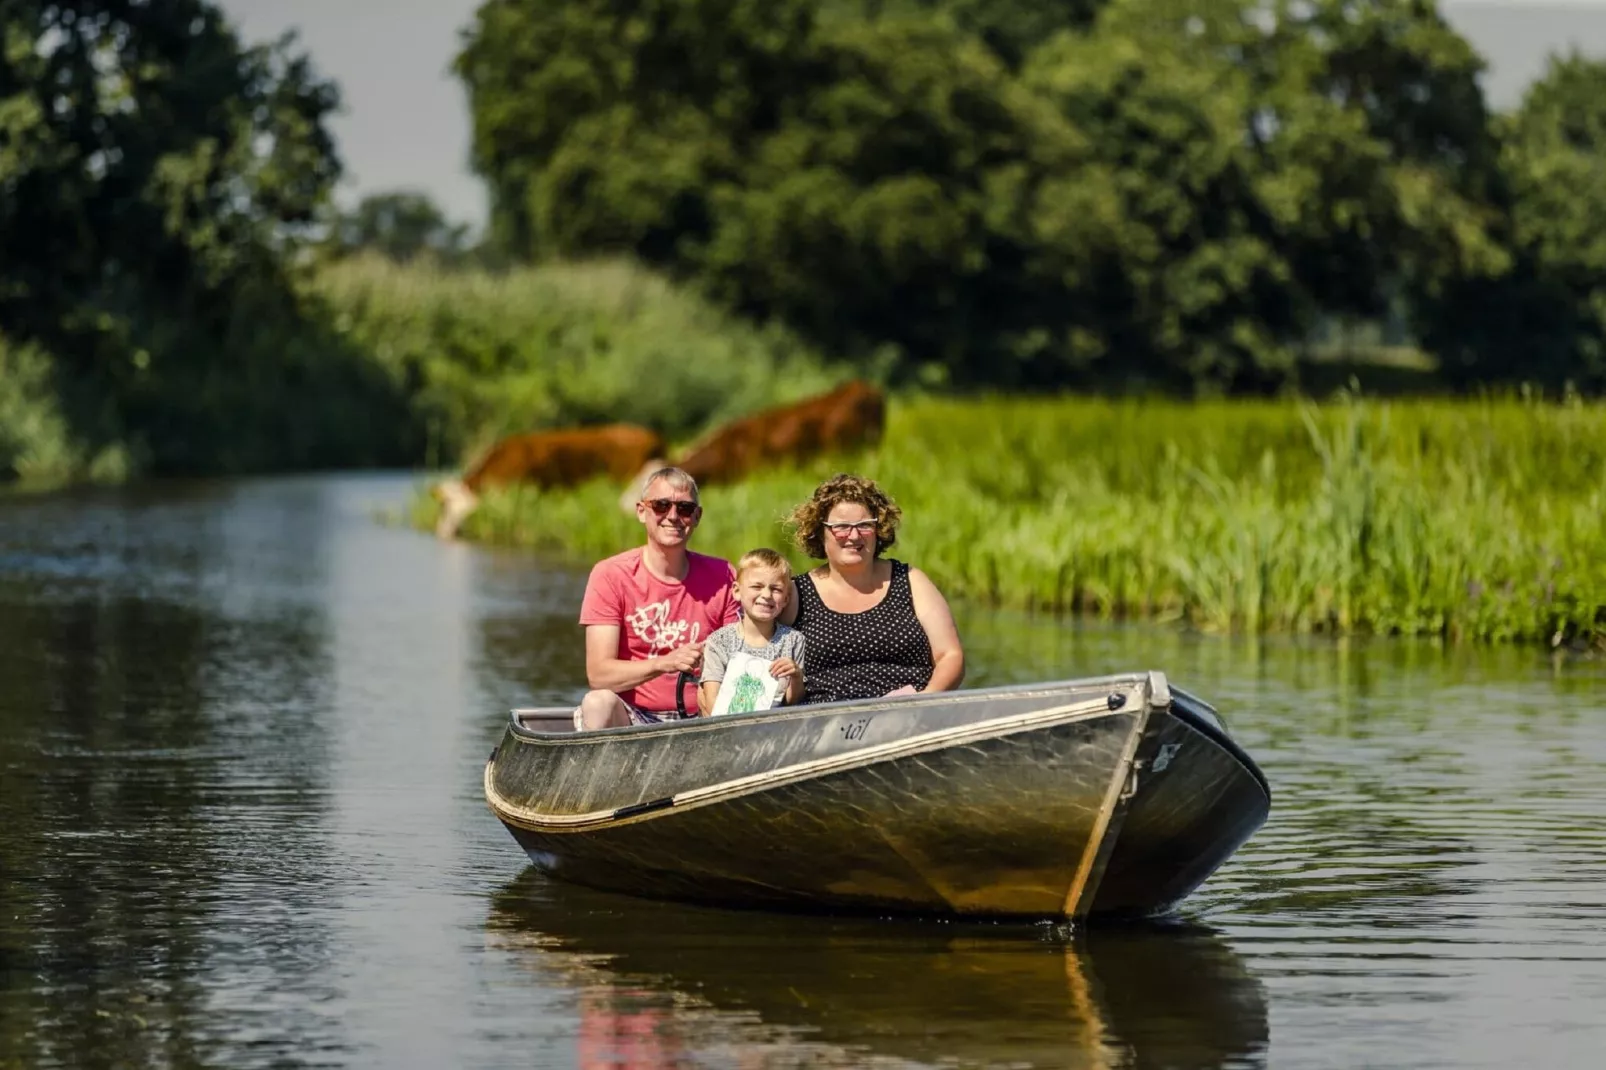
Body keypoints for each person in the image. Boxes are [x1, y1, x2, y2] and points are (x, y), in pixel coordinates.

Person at [575, 466, 739, 729]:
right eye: (661, 505)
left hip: (703, 717)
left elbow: (739, 655)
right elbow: (599, 675)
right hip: (631, 715)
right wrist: (666, 663)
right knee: (597, 703)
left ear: (697, 516)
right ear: (642, 511)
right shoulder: (610, 574)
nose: (672, 516)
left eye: (684, 509)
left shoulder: (725, 575)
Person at [779, 473, 964, 704]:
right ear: (819, 531)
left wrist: (925, 700)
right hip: (825, 723)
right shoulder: (797, 593)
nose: (854, 535)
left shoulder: (910, 580)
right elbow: (754, 646)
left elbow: (950, 655)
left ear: (878, 530)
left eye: (865, 525)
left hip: (911, 714)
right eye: (841, 527)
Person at [698, 548, 806, 716]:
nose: (766, 595)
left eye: (776, 589)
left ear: (786, 598)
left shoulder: (793, 640)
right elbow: (713, 703)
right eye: (757, 586)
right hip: (728, 729)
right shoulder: (719, 642)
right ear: (737, 591)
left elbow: (793, 701)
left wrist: (796, 676)